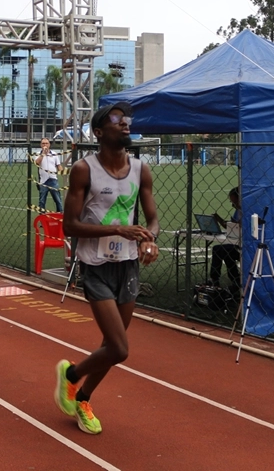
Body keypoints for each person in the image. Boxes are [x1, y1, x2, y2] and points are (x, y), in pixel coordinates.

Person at [54, 101, 159, 435]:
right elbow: (69, 226)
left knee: (110, 346)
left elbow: (152, 219)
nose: (125, 122)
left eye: (126, 118)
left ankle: (82, 396)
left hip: (128, 266)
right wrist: (117, 229)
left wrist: (148, 240)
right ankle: (70, 376)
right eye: (116, 119)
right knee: (119, 348)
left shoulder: (142, 169)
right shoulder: (84, 169)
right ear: (98, 132)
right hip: (95, 265)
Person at [211, 187, 242, 298]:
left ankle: (236, 281)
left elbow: (238, 225)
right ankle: (215, 280)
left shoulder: (247, 211)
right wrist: (217, 218)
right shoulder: (238, 211)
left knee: (225, 251)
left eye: (234, 203)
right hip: (236, 242)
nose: (233, 205)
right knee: (219, 249)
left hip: (246, 246)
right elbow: (230, 225)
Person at [35, 137, 63, 212]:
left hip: (53, 180)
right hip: (43, 181)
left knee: (58, 200)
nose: (45, 145)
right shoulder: (38, 154)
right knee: (42, 201)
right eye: (43, 143)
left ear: (49, 144)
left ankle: (60, 216)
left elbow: (58, 165)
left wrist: (63, 172)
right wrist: (43, 154)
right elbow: (37, 162)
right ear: (40, 145)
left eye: (46, 143)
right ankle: (42, 219)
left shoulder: (54, 154)